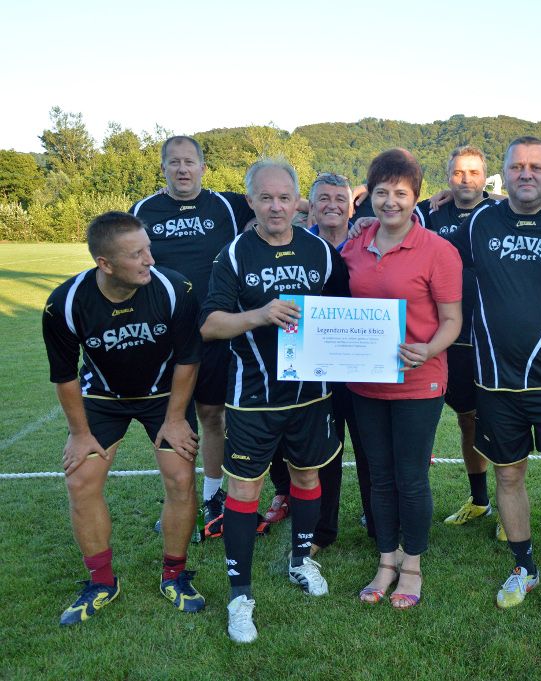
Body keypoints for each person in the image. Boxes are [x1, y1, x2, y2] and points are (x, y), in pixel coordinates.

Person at [200, 159, 349, 643]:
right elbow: (210, 324)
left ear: (296, 201)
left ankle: (301, 560)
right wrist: (260, 314)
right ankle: (240, 596)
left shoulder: (320, 251)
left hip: (311, 396)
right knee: (245, 492)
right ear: (251, 202)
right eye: (266, 198)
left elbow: (347, 313)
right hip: (254, 398)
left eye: (285, 198)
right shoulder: (235, 254)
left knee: (306, 477)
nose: (276, 207)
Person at [451, 136, 541, 628]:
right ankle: (524, 568)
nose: (526, 174)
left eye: (536, 166)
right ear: (505, 173)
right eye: (517, 166)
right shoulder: (479, 224)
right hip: (496, 383)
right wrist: (366, 221)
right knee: (508, 476)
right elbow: (426, 248)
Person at [43, 211, 204, 624]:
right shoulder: (65, 303)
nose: (150, 259)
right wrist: (79, 433)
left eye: (148, 248)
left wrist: (175, 419)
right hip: (102, 396)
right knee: (80, 481)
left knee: (181, 478)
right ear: (106, 264)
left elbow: (188, 358)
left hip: (164, 396)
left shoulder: (174, 289)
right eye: (137, 254)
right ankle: (101, 582)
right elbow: (64, 375)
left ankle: (175, 575)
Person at [341, 148, 462, 610]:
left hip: (419, 381)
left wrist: (427, 350)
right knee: (379, 477)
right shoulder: (354, 244)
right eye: (381, 192)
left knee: (410, 477)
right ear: (368, 195)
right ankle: (386, 560)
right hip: (365, 383)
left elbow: (452, 321)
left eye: (401, 193)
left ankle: (412, 565)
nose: (390, 201)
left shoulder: (438, 251)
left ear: (415, 197)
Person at [131, 136, 256, 535]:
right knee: (174, 419)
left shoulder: (227, 205)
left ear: (203, 167)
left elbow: (282, 199)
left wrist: (356, 202)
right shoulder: (142, 211)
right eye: (174, 162)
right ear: (163, 168)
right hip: (167, 338)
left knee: (213, 414)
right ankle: (179, 501)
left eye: (189, 162)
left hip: (217, 331)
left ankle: (212, 497)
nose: (182, 169)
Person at [262, 172, 377, 548]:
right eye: (323, 198)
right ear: (310, 206)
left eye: (340, 199)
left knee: (370, 448)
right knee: (322, 451)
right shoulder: (297, 246)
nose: (332, 205)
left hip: (361, 364)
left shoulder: (368, 240)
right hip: (312, 368)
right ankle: (322, 530)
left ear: (351, 206)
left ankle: (378, 523)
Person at [431, 146, 503, 537]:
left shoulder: (501, 211)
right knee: (466, 420)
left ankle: (509, 507)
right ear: (448, 175)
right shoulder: (430, 212)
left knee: (504, 422)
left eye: (474, 172)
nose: (465, 179)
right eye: (458, 172)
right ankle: (479, 500)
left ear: (485, 176)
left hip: (493, 336)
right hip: (448, 338)